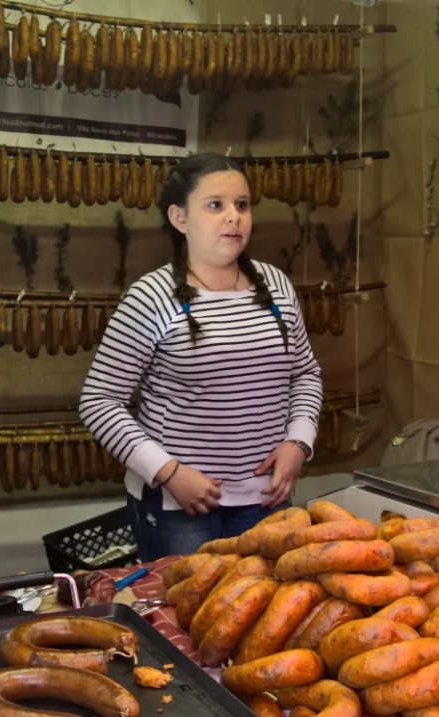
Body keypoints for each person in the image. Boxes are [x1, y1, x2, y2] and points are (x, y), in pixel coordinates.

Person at [79, 153, 323, 560]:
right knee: (184, 619)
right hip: (182, 507)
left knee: (262, 616)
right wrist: (168, 472)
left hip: (266, 499)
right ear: (179, 218)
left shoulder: (276, 284)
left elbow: (305, 374)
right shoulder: (150, 296)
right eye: (216, 205)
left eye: (242, 205)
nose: (234, 217)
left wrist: (299, 441)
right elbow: (99, 401)